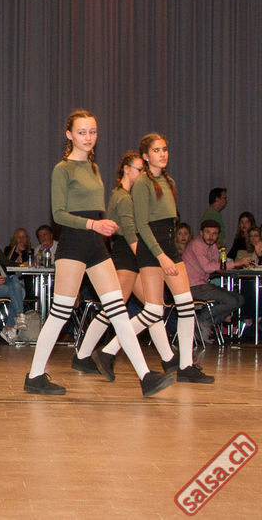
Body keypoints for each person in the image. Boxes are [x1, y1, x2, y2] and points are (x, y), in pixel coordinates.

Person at [24, 110, 172, 398]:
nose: (88, 137)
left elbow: (96, 210)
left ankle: (145, 377)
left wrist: (106, 226)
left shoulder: (94, 168)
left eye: (92, 131)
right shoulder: (62, 169)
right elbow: (58, 214)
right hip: (74, 244)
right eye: (82, 132)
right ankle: (35, 375)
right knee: (61, 311)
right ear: (69, 135)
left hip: (95, 246)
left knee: (117, 309)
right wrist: (94, 224)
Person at [73, 151, 177, 375]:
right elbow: (130, 233)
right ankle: (83, 356)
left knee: (153, 308)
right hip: (127, 256)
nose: (143, 174)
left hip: (130, 255)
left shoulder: (124, 195)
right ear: (126, 170)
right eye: (139, 169)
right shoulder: (122, 197)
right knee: (113, 310)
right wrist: (151, 258)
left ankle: (169, 359)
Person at [130, 132, 214, 383]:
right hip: (151, 249)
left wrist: (169, 254)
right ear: (146, 156)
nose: (162, 154)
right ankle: (108, 350)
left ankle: (186, 365)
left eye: (164, 149)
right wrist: (161, 256)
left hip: (168, 245)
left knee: (186, 305)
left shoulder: (169, 182)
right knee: (153, 311)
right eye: (156, 150)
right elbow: (141, 225)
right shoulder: (142, 183)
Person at [182, 220, 248, 339]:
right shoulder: (197, 244)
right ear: (201, 233)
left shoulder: (212, 246)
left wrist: (227, 266)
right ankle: (201, 322)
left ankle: (204, 324)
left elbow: (218, 266)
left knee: (240, 299)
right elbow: (208, 267)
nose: (211, 236)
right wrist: (235, 263)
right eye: (208, 232)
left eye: (214, 233)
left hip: (203, 285)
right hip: (192, 286)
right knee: (232, 301)